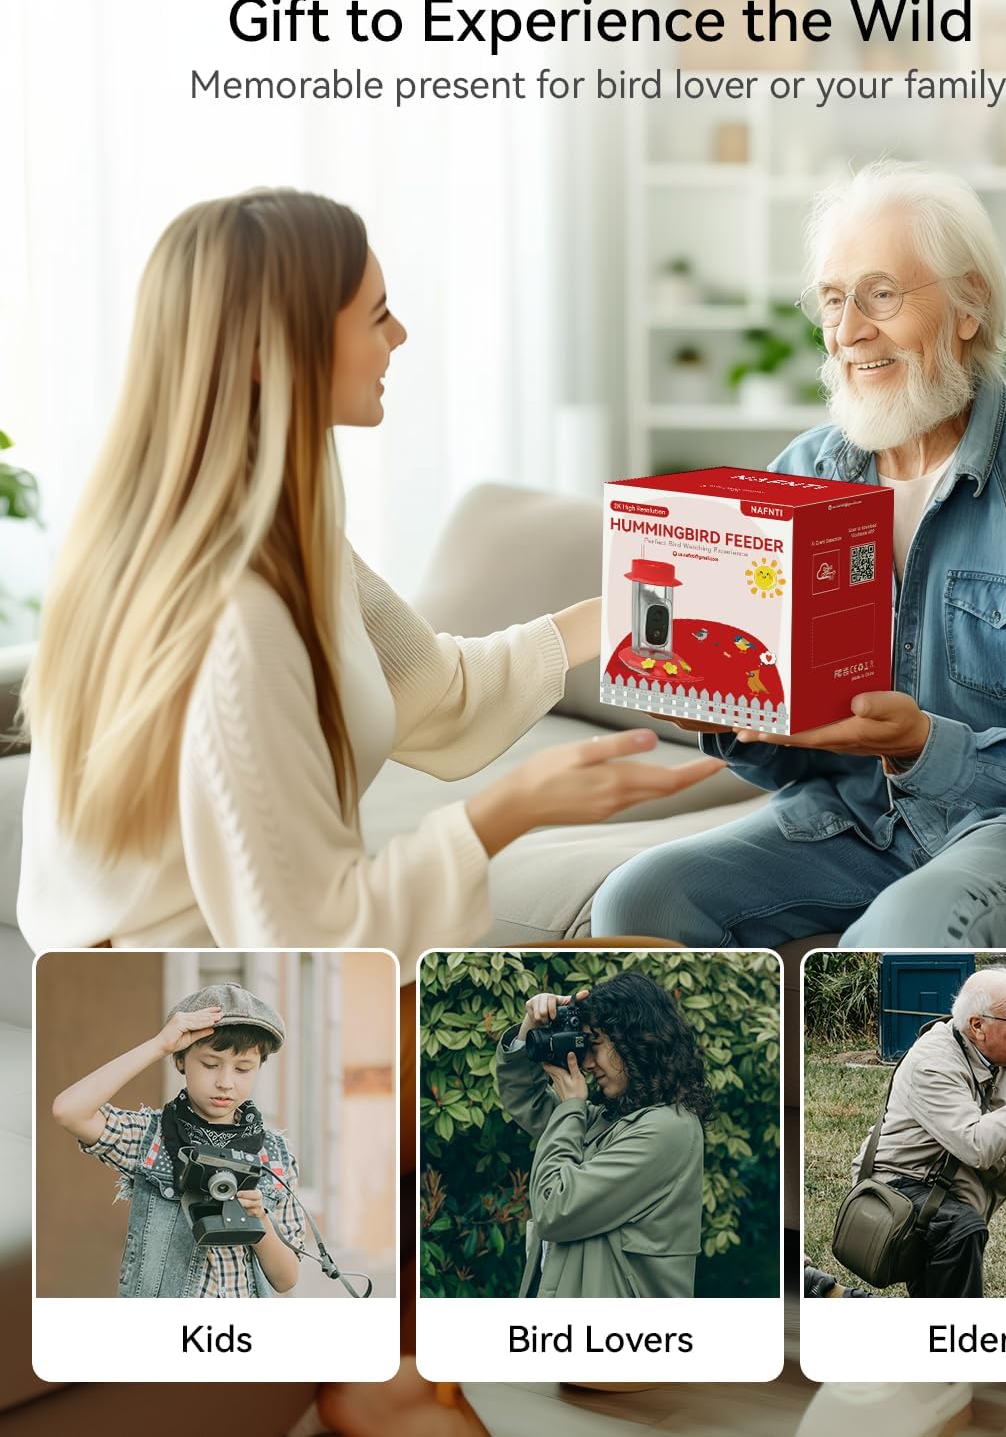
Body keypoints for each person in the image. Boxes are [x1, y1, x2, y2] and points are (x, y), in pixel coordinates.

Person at [16, 189, 721, 974]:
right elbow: (315, 941)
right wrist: (509, 811)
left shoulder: (275, 537)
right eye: (377, 315)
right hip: (207, 1032)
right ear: (270, 351)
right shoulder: (235, 617)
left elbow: (436, 691)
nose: (400, 335)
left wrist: (617, 612)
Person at [591, 160, 1006, 949]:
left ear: (969, 304)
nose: (848, 333)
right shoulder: (801, 475)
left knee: (898, 931)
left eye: (880, 295)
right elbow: (790, 759)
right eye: (834, 302)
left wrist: (922, 745)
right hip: (854, 826)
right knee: (639, 903)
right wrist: (729, 714)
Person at [848, 967, 1006, 1297]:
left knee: (952, 1248)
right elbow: (976, 1146)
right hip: (897, 1184)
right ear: (978, 1026)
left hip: (949, 1188)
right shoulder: (932, 1061)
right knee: (960, 1230)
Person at [52, 981, 303, 1297]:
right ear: (180, 1060)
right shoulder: (152, 1137)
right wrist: (159, 1045)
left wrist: (259, 1217)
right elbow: (68, 1111)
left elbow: (287, 1278)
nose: (225, 1082)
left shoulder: (273, 1153)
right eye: (210, 1065)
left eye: (243, 1069)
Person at [495, 974, 709, 1297]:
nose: (587, 1063)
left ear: (636, 1040)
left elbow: (554, 1207)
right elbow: (529, 1101)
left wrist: (572, 1107)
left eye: (594, 1045)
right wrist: (530, 1028)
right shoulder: (612, 1120)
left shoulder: (667, 1130)